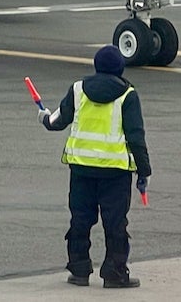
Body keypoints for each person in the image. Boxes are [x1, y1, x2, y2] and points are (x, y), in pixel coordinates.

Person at [40, 45, 150, 288]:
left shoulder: (78, 89)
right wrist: (144, 171)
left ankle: (79, 271)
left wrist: (44, 118)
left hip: (82, 169)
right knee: (115, 224)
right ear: (120, 68)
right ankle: (114, 274)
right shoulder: (128, 95)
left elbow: (57, 121)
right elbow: (136, 137)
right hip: (115, 172)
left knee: (80, 220)